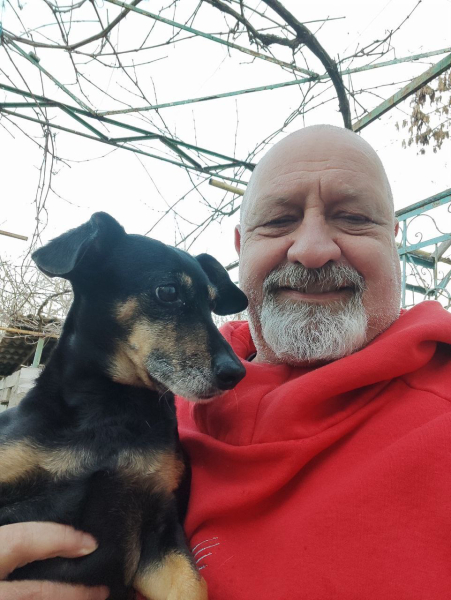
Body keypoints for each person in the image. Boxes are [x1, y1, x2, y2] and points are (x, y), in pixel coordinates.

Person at [2, 125, 451, 600]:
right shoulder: (167, 406)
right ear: (241, 246)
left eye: (354, 217)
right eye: (278, 220)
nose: (312, 250)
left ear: (394, 240)